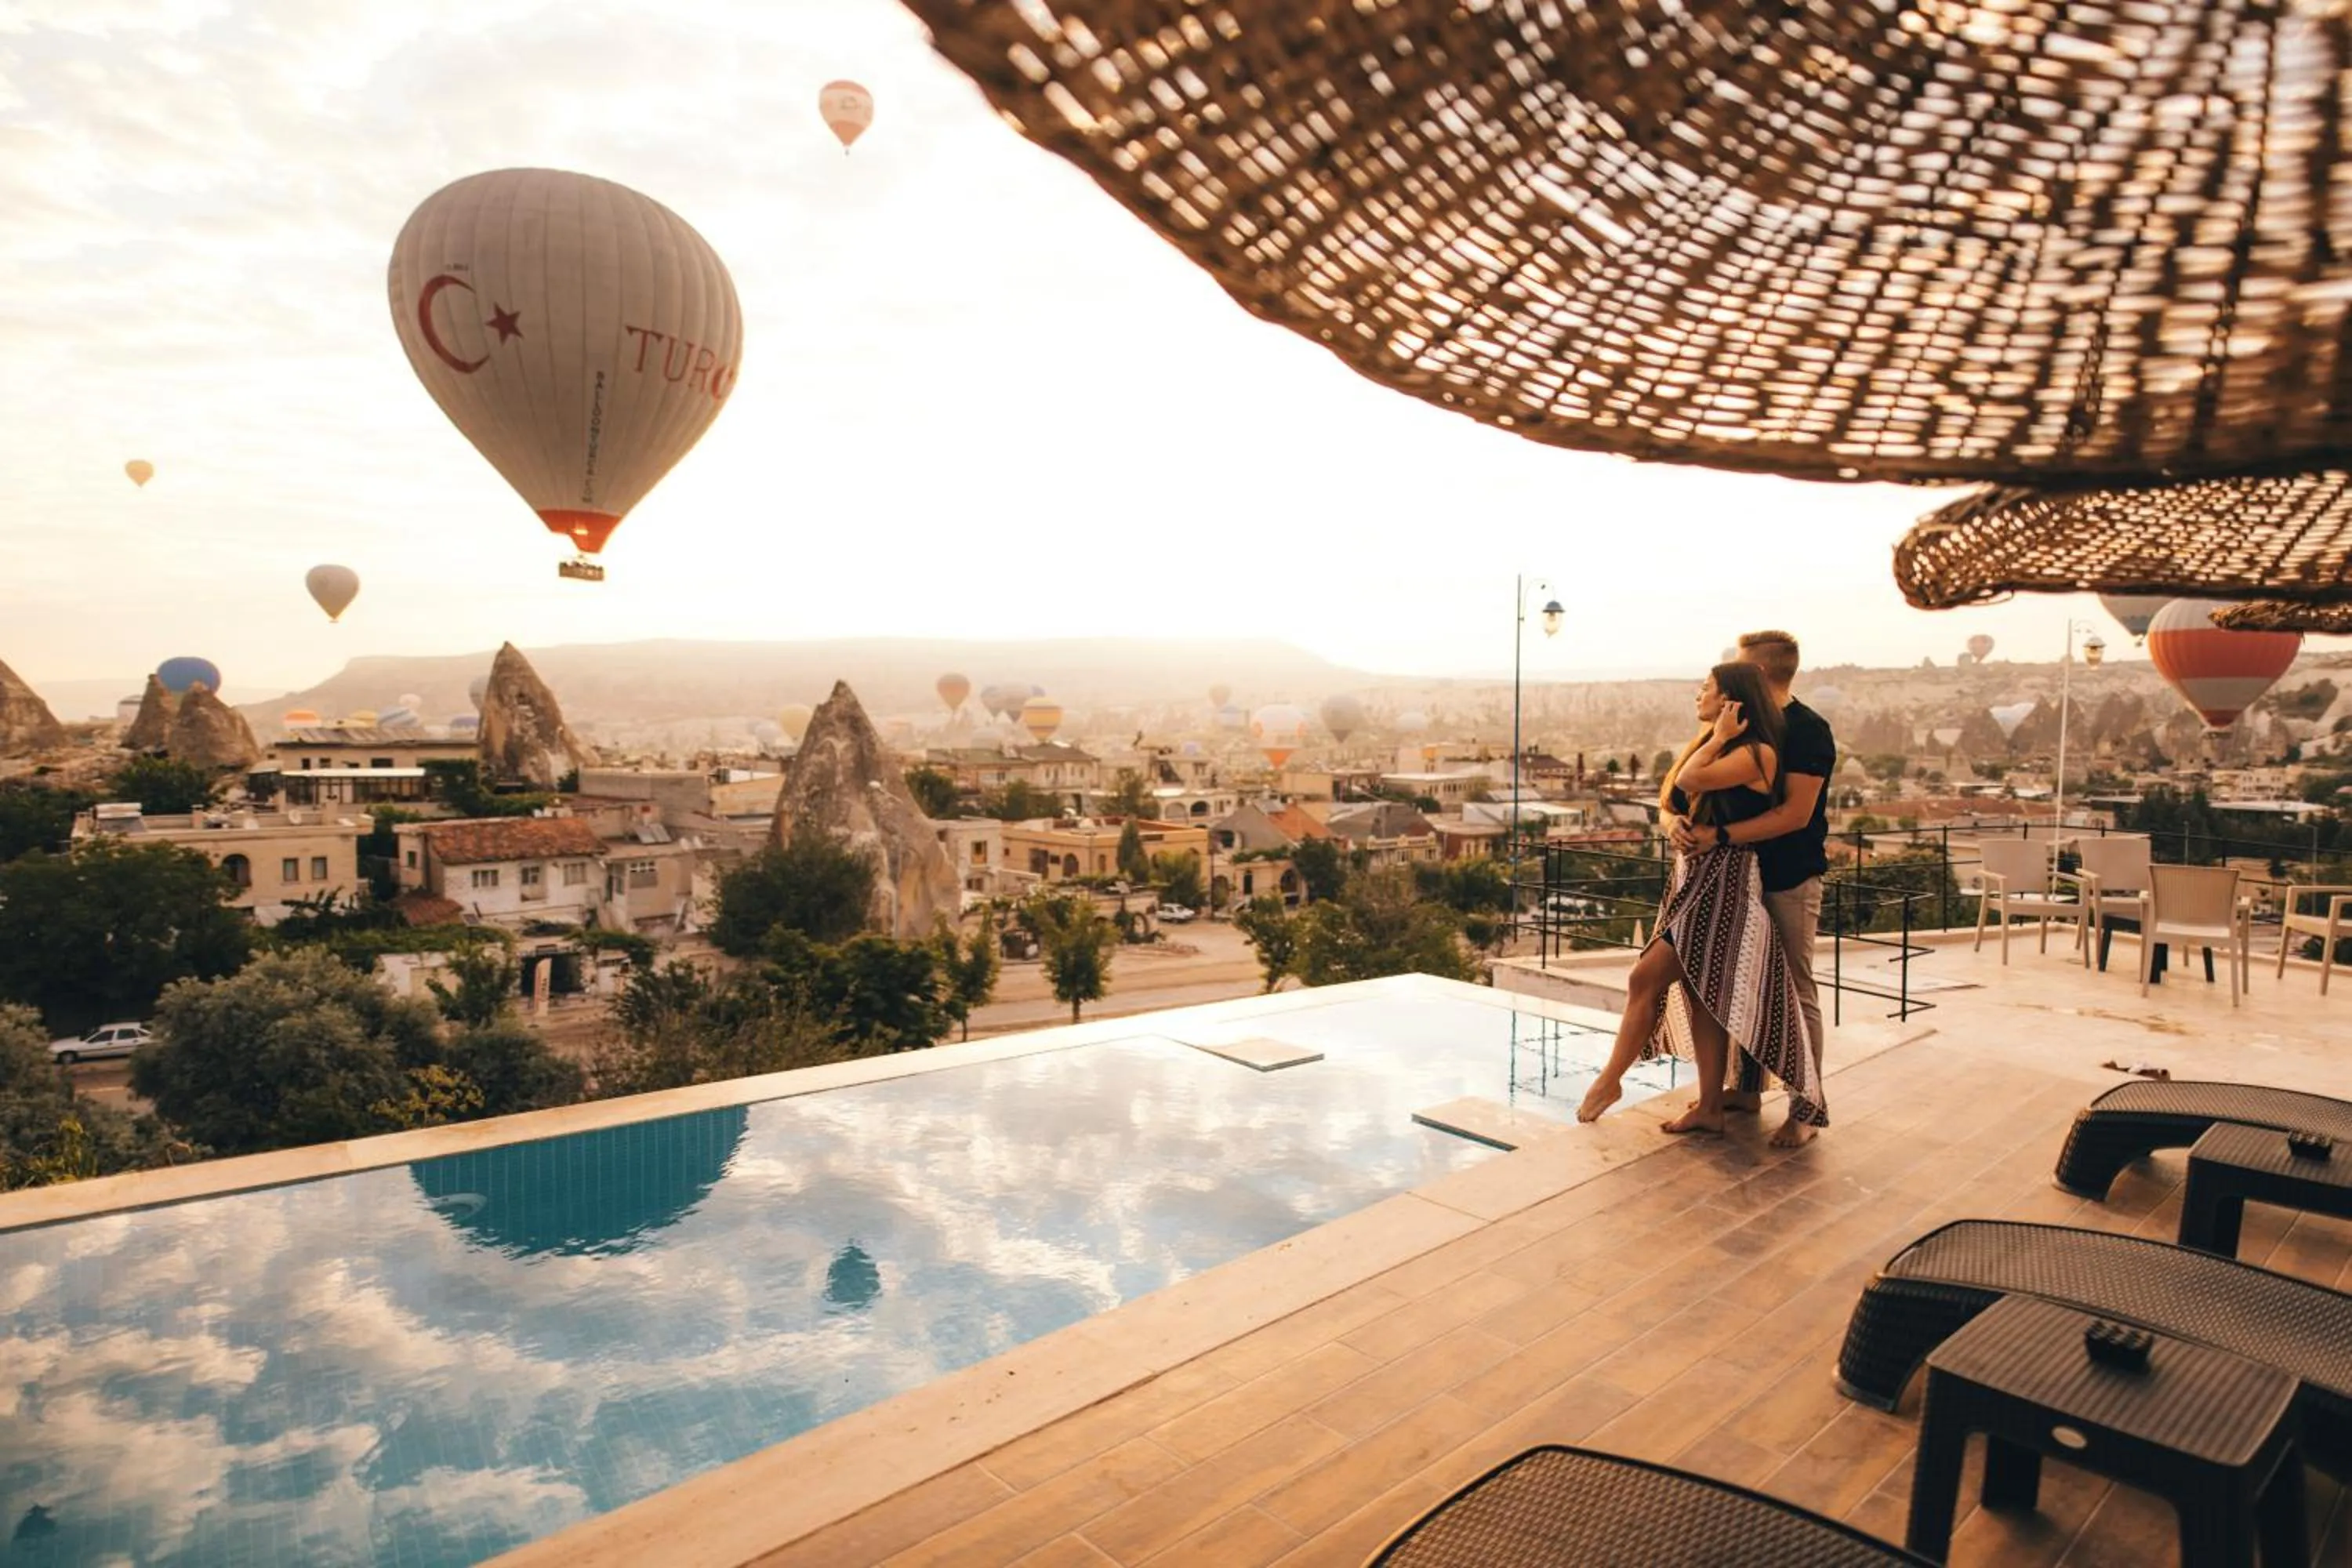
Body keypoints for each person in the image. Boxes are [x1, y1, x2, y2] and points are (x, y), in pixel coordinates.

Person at [1577, 662, 1826, 1137]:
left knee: (1643, 978)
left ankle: (1609, 1081)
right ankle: (1711, 1105)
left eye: (1707, 689)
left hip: (1725, 883)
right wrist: (1676, 825)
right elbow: (1672, 797)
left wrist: (1714, 738)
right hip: (1694, 879)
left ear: (1733, 701)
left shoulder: (1758, 754)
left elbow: (1690, 781)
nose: (1697, 695)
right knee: (1698, 992)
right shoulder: (1719, 747)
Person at [1670, 630, 1835, 1147]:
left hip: (1786, 876)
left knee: (1794, 987)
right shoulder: (1740, 728)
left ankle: (1807, 1107)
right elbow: (1681, 788)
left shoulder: (1806, 731)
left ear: (1757, 675)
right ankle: (1744, 1088)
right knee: (1736, 984)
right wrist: (1673, 823)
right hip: (1733, 879)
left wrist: (1718, 836)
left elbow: (1794, 814)